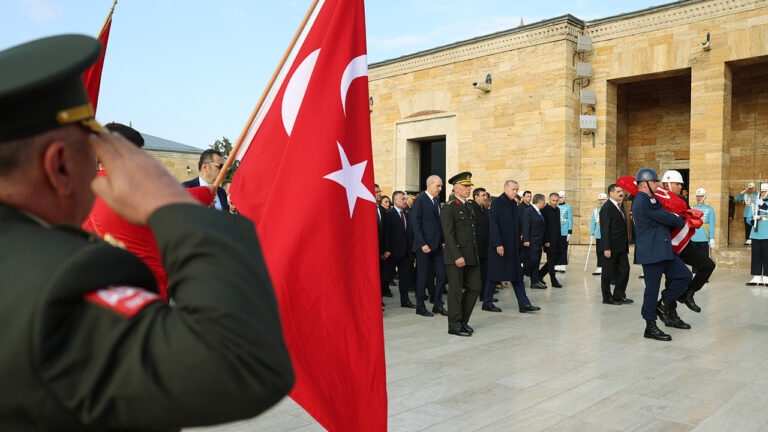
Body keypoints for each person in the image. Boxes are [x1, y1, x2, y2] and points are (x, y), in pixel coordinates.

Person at [0, 34, 293, 429]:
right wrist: (167, 201)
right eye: (94, 155)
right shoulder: (63, 284)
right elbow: (244, 362)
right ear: (60, 166)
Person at [632, 168, 693, 341]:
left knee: (684, 275)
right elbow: (666, 217)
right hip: (652, 252)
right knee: (651, 290)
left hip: (662, 249)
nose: (657, 185)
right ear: (644, 183)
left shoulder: (649, 199)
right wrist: (682, 218)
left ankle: (663, 303)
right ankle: (650, 326)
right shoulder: (646, 200)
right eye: (654, 182)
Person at [660, 170, 715, 313]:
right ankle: (670, 314)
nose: (680, 187)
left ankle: (688, 294)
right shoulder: (660, 201)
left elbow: (689, 214)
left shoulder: (682, 200)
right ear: (667, 185)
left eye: (681, 184)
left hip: (684, 243)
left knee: (708, 265)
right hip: (669, 245)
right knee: (672, 280)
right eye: (677, 184)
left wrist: (694, 218)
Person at [485, 180, 540, 313]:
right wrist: (498, 243)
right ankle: (487, 302)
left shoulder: (513, 204)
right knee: (494, 275)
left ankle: (524, 304)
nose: (515, 192)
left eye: (517, 190)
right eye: (513, 189)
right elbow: (493, 224)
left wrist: (520, 234)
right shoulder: (497, 202)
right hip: (501, 246)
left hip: (513, 246)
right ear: (505, 189)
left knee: (517, 275)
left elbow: (517, 222)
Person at [441, 172, 483, 336]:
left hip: (471, 255)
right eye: (465, 186)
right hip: (456, 256)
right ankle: (454, 325)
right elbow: (448, 234)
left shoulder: (468, 206)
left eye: (469, 186)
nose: (469, 188)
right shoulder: (449, 207)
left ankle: (463, 321)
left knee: (475, 287)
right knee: (456, 291)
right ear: (456, 188)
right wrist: (457, 256)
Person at [411, 175, 448, 317]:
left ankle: (437, 304)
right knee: (423, 276)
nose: (440, 189)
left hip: (437, 245)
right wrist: (422, 243)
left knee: (442, 274)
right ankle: (420, 306)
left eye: (441, 186)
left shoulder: (437, 201)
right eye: (438, 186)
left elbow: (439, 224)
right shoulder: (420, 200)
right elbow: (416, 224)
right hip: (424, 246)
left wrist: (443, 241)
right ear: (429, 185)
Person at [599, 185, 632, 305]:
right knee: (607, 273)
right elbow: (605, 229)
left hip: (621, 246)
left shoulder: (619, 206)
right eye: (618, 191)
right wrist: (606, 248)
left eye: (621, 191)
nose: (621, 193)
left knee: (625, 270)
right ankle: (607, 297)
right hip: (610, 247)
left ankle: (619, 295)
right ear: (611, 194)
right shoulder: (606, 208)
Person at [382, 191, 416, 308]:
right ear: (395, 201)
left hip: (405, 252)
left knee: (404, 277)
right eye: (403, 199)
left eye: (405, 199)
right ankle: (378, 298)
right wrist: (387, 249)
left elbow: (409, 232)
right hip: (392, 252)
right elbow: (386, 233)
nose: (405, 201)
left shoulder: (406, 214)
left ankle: (405, 300)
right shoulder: (389, 214)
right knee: (387, 276)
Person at [522, 194, 549, 290]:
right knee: (532, 261)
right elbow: (526, 226)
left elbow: (542, 227)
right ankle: (518, 274)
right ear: (540, 201)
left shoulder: (539, 212)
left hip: (538, 241)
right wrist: (526, 240)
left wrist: (545, 241)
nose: (545, 203)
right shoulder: (529, 211)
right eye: (544, 201)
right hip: (532, 241)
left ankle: (535, 282)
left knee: (537, 262)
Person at [539, 193, 564, 288]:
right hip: (548, 241)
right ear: (549, 200)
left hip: (557, 239)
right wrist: (546, 240)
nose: (555, 202)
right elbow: (544, 227)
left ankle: (540, 274)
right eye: (553, 200)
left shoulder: (557, 209)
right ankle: (553, 281)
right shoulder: (545, 210)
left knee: (555, 260)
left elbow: (558, 225)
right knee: (551, 260)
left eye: (557, 200)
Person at [467, 187, 490, 292]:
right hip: (475, 247)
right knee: (475, 274)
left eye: (486, 195)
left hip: (484, 246)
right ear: (476, 197)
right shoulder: (471, 208)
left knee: (484, 272)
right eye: (483, 195)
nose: (485, 198)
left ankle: (484, 294)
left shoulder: (483, 209)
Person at [690, 188, 715, 276]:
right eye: (697, 196)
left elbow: (712, 224)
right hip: (694, 235)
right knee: (694, 256)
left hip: (704, 235)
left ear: (704, 197)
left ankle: (703, 275)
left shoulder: (710, 209)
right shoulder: (692, 208)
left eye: (701, 196)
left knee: (704, 257)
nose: (699, 198)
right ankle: (694, 273)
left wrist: (712, 238)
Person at [747, 184, 768, 286]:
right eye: (761, 192)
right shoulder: (755, 203)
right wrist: (752, 221)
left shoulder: (761, 203)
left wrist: (763, 204)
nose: (762, 194)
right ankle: (756, 276)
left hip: (766, 232)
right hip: (756, 232)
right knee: (756, 255)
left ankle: (766, 276)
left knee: (767, 255)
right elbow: (748, 217)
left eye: (763, 192)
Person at [590, 192, 608, 275]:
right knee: (599, 251)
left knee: (607, 251)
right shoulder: (596, 210)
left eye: (603, 199)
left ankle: (607, 267)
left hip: (607, 234)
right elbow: (593, 222)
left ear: (606, 200)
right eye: (600, 200)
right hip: (599, 234)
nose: (601, 201)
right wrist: (591, 233)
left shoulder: (609, 209)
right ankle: (600, 267)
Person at [555, 190, 573, 272]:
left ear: (564, 198)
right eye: (558, 197)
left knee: (563, 248)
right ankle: (558, 264)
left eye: (560, 197)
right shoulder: (555, 206)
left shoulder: (568, 207)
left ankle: (563, 265)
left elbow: (570, 219)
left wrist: (569, 231)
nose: (559, 199)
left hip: (564, 230)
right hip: (556, 230)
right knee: (557, 248)